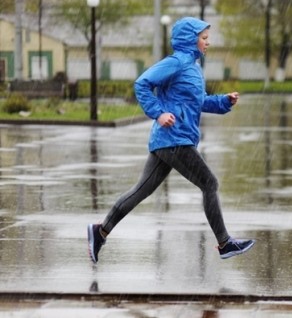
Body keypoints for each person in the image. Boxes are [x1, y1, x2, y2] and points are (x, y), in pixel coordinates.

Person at [87, 17, 255, 263]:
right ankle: (224, 243)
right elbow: (142, 84)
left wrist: (223, 102)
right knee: (209, 183)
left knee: (140, 191)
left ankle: (100, 231)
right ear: (191, 39)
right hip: (174, 138)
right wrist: (158, 112)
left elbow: (197, 102)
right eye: (204, 38)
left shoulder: (193, 68)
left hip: (169, 140)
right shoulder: (176, 62)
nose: (208, 43)